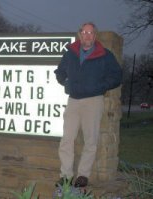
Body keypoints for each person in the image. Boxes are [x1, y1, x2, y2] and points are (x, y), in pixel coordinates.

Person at [54, 22, 122, 188]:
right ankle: (66, 176)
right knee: (67, 140)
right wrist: (66, 83)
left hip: (93, 101)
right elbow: (60, 72)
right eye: (84, 32)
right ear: (80, 34)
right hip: (73, 100)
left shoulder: (104, 55)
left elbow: (117, 75)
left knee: (90, 141)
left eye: (91, 33)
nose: (87, 35)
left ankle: (83, 175)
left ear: (95, 35)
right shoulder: (70, 53)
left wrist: (101, 87)